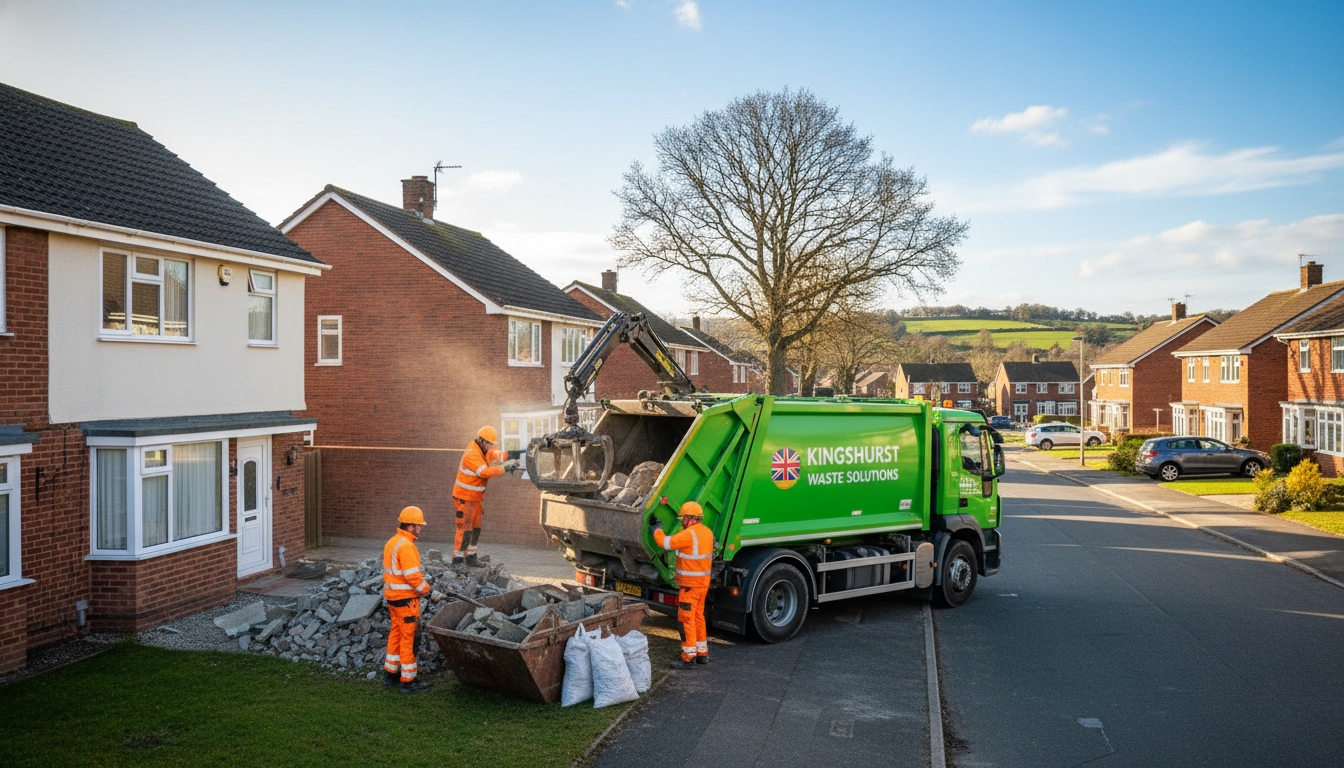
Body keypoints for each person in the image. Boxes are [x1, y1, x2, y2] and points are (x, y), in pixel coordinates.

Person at [651, 501, 714, 669]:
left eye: (683, 518)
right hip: (702, 584)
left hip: (689, 586)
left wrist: (656, 529)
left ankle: (688, 657)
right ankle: (702, 654)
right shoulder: (707, 532)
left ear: (690, 518)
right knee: (698, 617)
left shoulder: (689, 534)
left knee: (686, 619)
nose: (681, 522)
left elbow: (666, 543)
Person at [383, 506, 432, 693]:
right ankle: (408, 681)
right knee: (408, 639)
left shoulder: (392, 542)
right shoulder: (407, 546)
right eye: (418, 525)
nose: (420, 529)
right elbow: (413, 577)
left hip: (392, 598)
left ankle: (390, 673)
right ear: (410, 526)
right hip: (406, 600)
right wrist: (427, 590)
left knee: (395, 633)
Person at [452, 426, 519, 565]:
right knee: (465, 530)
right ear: (483, 441)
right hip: (464, 498)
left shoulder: (482, 449)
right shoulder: (472, 454)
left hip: (474, 499)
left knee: (476, 529)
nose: (491, 447)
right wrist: (504, 468)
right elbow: (484, 472)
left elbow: (495, 454)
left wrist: (513, 454)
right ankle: (457, 560)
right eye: (490, 444)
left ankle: (471, 557)